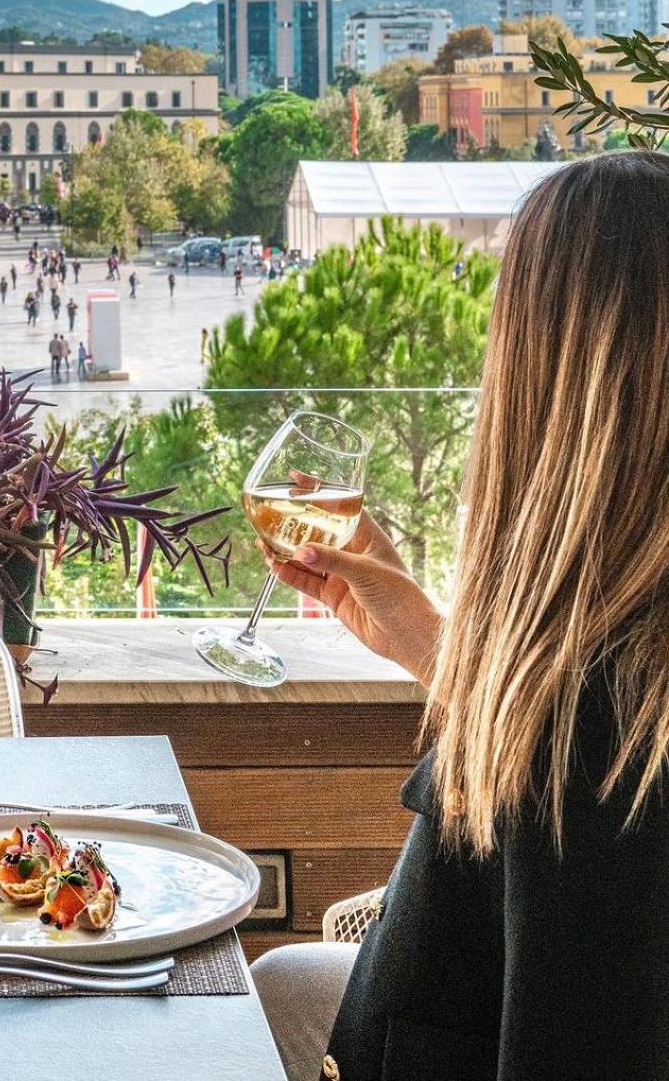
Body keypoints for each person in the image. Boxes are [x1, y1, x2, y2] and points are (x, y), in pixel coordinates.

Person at [250, 152, 669, 1081]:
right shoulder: (605, 658)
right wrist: (445, 654)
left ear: (552, 368)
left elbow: (584, 1037)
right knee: (280, 982)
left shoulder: (602, 726)